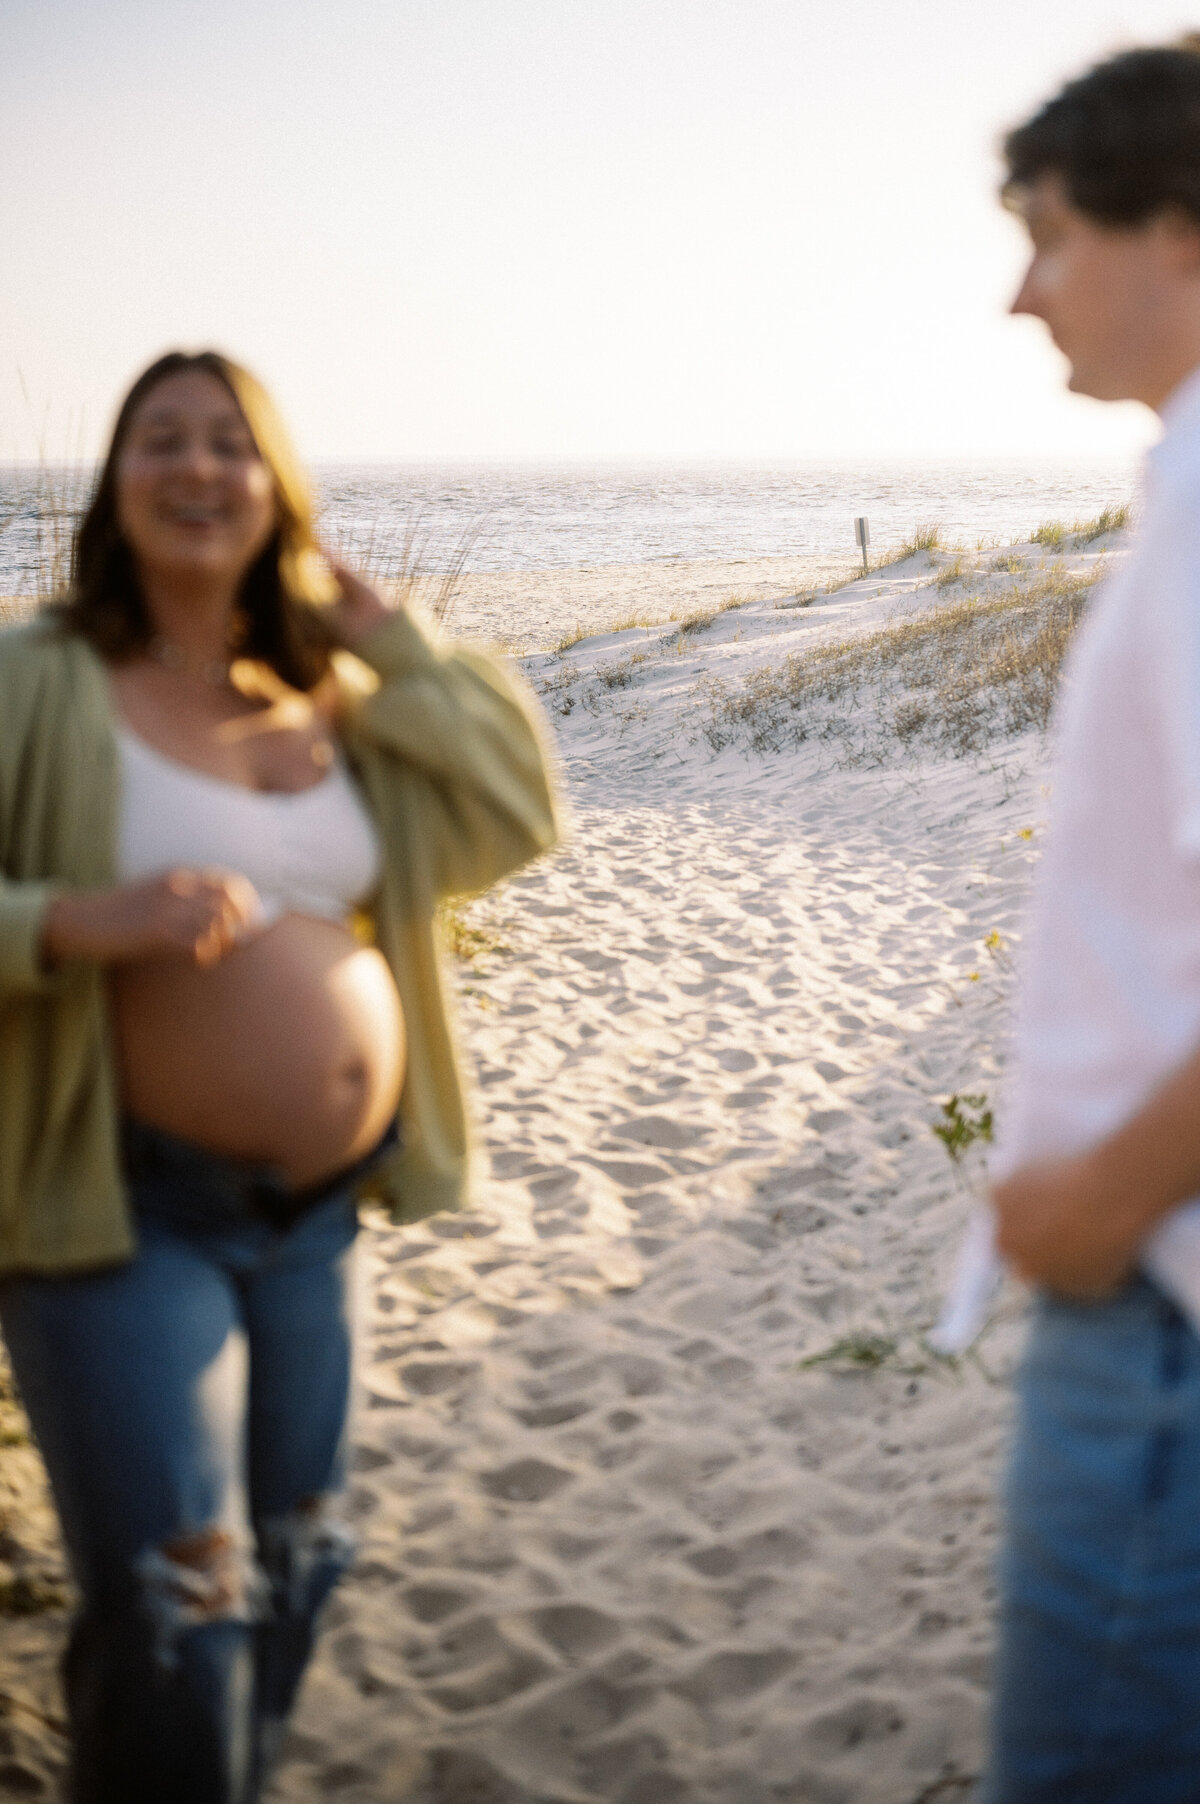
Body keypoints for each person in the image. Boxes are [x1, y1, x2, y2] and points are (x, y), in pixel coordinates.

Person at [0, 348, 558, 1803]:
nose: (196, 467)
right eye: (160, 440)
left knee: (299, 1567)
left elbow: (516, 811)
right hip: (125, 1207)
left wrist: (411, 649)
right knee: (185, 1604)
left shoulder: (332, 697)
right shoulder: (41, 681)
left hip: (322, 1218)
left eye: (231, 445)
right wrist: (73, 921)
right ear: (115, 487)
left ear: (278, 490)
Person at [981, 37, 1200, 1803]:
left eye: (1049, 235)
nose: (1019, 293)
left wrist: (1087, 1207)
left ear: (1182, 230)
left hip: (1165, 1311)